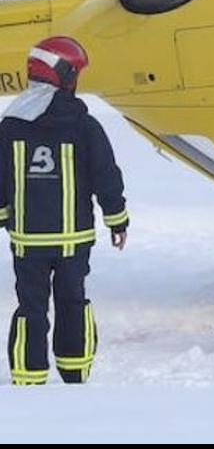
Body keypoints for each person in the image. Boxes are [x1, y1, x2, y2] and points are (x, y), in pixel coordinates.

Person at [0, 36, 128, 384]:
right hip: (75, 240)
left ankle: (29, 376)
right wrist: (117, 221)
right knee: (73, 303)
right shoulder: (85, 125)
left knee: (32, 309)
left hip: (28, 241)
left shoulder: (10, 125)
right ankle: (74, 372)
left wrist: (5, 218)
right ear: (65, 76)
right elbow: (106, 177)